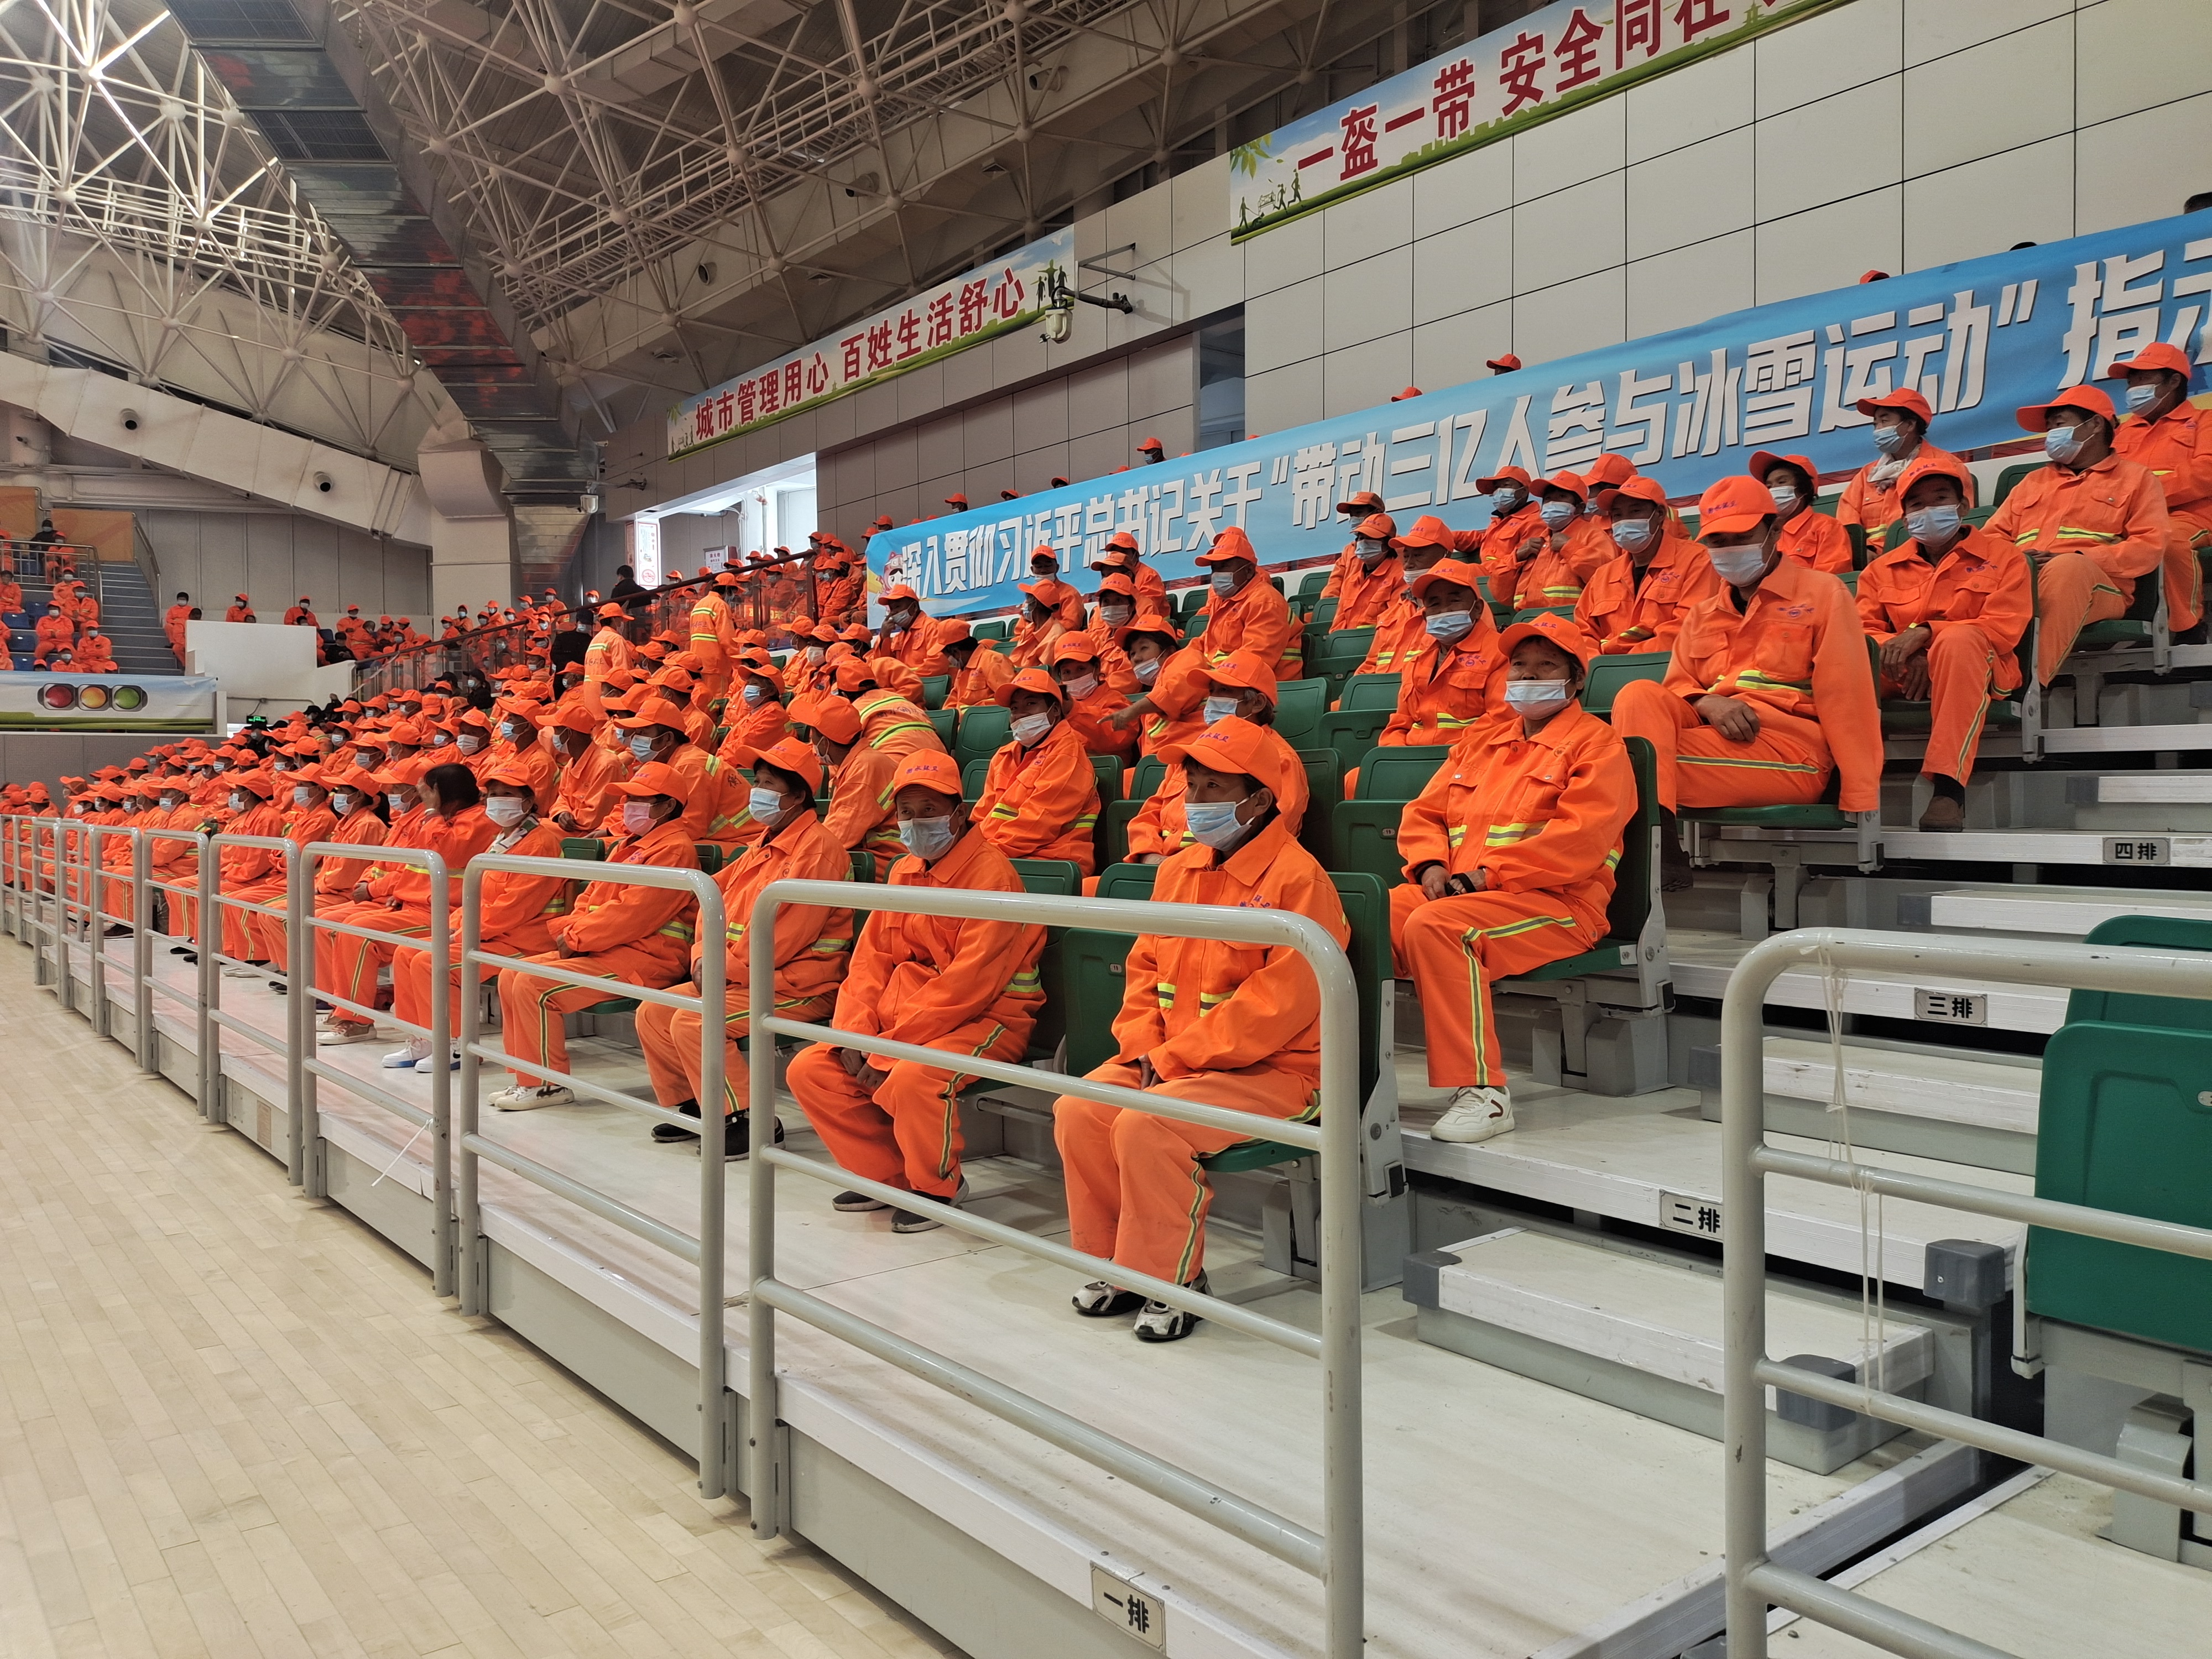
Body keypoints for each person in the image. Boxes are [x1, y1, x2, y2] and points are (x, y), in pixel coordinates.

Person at [1052, 716, 1350, 1339]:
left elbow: (1278, 1006)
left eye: (1215, 788)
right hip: (1173, 1061)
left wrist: (1175, 1059)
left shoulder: (1298, 880)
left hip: (1276, 1073)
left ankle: (1176, 1282)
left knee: (1147, 1125)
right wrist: (1143, 1048)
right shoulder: (1178, 869)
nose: (1196, 801)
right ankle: (1119, 1267)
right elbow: (1144, 968)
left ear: (1260, 800)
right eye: (1192, 787)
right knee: (1078, 1109)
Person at [1391, 613, 1636, 1143]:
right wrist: (1430, 863)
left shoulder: (1598, 746)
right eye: (1520, 666)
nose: (1528, 676)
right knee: (1362, 916)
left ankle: (1484, 1091)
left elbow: (1580, 842)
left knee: (1439, 928)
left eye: (1546, 666)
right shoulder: (1482, 741)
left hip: (1560, 905)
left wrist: (1487, 876)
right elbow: (1424, 812)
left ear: (1576, 679)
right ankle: (1346, 1073)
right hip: (1463, 893)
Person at [784, 751, 1045, 1232]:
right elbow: (869, 962)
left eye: (929, 809)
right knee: (811, 1069)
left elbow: (969, 985)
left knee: (912, 1079)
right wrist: (854, 1035)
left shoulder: (993, 877)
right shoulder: (903, 870)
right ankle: (887, 1179)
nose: (916, 821)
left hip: (990, 1020)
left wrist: (887, 1050)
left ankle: (937, 1189)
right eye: (906, 811)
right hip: (901, 1023)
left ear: (958, 813)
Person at [1610, 476, 1882, 887]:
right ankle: (1658, 845)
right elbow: (1679, 686)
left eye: (1741, 537)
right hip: (1712, 736)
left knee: (1612, 767)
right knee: (1638, 695)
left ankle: (1643, 855)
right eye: (1718, 541)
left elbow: (1847, 696)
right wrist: (1707, 702)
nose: (1729, 549)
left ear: (1775, 530)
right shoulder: (1702, 613)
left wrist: (1860, 797)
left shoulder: (1823, 593)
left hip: (1792, 752)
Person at [634, 737, 854, 1154]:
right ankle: (702, 1105)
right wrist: (702, 956)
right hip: (743, 976)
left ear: (798, 796)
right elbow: (711, 899)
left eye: (769, 784)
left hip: (800, 986)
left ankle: (747, 1120)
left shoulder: (819, 852)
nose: (758, 792)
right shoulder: (763, 843)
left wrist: (719, 969)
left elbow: (783, 938)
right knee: (654, 1012)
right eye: (758, 782)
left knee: (695, 1022)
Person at [490, 761, 701, 1108]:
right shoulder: (629, 845)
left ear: (667, 806)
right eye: (629, 798)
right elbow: (591, 897)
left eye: (640, 799)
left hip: (646, 959)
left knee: (531, 984)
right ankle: (525, 1077)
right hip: (607, 950)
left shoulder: (674, 849)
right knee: (512, 974)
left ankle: (547, 1085)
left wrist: (576, 938)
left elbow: (633, 915)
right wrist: (572, 931)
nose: (630, 806)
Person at [1857, 455, 2033, 832]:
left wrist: (1926, 633)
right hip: (1902, 669)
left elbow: (2003, 628)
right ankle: (1840, 781)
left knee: (1957, 640)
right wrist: (1911, 654)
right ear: (1905, 518)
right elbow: (1862, 631)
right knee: (1834, 659)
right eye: (1917, 504)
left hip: (1980, 666)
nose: (1929, 510)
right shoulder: (1879, 570)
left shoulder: (2005, 558)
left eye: (1940, 499)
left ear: (1963, 506)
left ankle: (1948, 789)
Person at [384, 766, 567, 1072]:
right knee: (406, 953)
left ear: (528, 800)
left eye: (507, 794)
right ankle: (425, 1038)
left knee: (429, 961)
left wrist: (463, 931)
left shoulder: (540, 844)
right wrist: (457, 923)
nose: (498, 800)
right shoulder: (503, 839)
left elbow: (513, 909)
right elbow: (476, 896)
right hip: (493, 934)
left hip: (523, 940)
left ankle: (457, 1044)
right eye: (493, 794)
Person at [1987, 383, 2172, 685]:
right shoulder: (2031, 482)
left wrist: (2080, 556)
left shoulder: (2137, 478)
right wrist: (2017, 560)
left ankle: (2024, 688)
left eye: (2058, 425)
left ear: (2095, 424)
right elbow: (1990, 540)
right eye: (2049, 428)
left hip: (2099, 586)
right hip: (2023, 580)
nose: (2051, 435)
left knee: (2068, 567)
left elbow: (2149, 546)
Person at [316, 763, 498, 1045]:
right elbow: (412, 866)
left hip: (445, 913)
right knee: (340, 924)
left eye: (425, 790)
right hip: (411, 905)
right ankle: (347, 1009)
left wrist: (432, 812)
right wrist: (399, 891)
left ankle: (356, 1020)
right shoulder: (441, 818)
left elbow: (445, 852)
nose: (420, 795)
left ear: (438, 791)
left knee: (357, 933)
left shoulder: (478, 821)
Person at [2106, 342, 2211, 640]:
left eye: (2143, 379)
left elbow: (2206, 472)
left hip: (2190, 516)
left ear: (2174, 381)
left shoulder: (2206, 421)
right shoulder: (2120, 433)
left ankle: (2188, 629)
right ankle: (2122, 633)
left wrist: (2145, 497)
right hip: (2127, 518)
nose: (2133, 388)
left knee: (2168, 541)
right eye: (2131, 382)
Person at [1574, 476, 1722, 656]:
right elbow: (1583, 632)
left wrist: (1623, 659)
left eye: (1635, 511)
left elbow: (1687, 626)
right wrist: (1599, 665)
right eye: (1618, 515)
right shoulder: (1603, 575)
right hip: (1606, 669)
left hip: (1668, 667)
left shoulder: (1697, 560)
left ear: (1659, 514)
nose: (1624, 521)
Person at [1371, 556, 1507, 750]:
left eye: (1455, 600)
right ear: (1425, 616)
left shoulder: (1501, 654)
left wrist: (1444, 756)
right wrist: (1398, 757)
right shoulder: (1416, 661)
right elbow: (1399, 724)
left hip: (1468, 757)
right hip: (1413, 757)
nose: (1445, 610)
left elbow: (1501, 720)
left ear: (1477, 609)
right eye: (1435, 604)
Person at [974, 668, 1103, 873]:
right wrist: (968, 848)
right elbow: (983, 813)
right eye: (1015, 708)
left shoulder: (1068, 753)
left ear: (1055, 710)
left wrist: (981, 855)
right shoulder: (1004, 755)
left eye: (1031, 704)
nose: (1021, 713)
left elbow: (1040, 822)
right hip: (1003, 855)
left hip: (1052, 860)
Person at [1837, 389, 1974, 556]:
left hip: (1926, 557)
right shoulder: (1868, 475)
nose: (1878, 429)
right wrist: (1862, 552)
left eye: (1884, 421)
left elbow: (1959, 520)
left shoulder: (1948, 466)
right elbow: (1846, 526)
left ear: (1910, 425)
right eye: (1875, 424)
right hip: (1873, 562)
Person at [797, 692, 909, 876]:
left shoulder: (864, 768)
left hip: (880, 863)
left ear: (825, 742)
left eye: (813, 736)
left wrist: (794, 850)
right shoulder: (858, 763)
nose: (811, 742)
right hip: (865, 856)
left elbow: (838, 835)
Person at [1193, 527, 1298, 679]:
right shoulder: (1223, 600)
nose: (1217, 575)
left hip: (1265, 687)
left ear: (1249, 571)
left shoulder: (1265, 602)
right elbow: (1205, 643)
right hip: (1224, 681)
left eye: (1225, 566)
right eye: (1214, 569)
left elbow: (1254, 661)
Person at [1754, 452, 1854, 573]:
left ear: (1805, 488)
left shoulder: (1826, 527)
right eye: (1769, 486)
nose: (1773, 490)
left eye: (1782, 482)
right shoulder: (1762, 532)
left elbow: (1832, 577)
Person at [1473, 466, 1545, 609]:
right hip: (1491, 578)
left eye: (1506, 485)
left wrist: (1489, 568)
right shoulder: (1498, 522)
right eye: (1496, 487)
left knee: (1460, 573)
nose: (1499, 491)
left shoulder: (1535, 521)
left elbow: (1523, 562)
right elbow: (1477, 538)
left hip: (1505, 582)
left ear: (1523, 492)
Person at [1320, 511, 1403, 630]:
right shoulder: (1351, 581)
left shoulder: (1400, 576)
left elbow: (1395, 622)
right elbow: (1338, 623)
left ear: (1387, 545)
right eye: (1361, 538)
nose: (1363, 543)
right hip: (1349, 640)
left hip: (1379, 639)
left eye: (1371, 539)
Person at [878, 585, 951, 677]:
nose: (893, 613)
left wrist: (908, 679)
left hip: (927, 683)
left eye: (897, 607)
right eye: (891, 609)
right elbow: (883, 665)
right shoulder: (898, 638)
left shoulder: (933, 628)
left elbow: (938, 664)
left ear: (914, 607)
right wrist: (884, 637)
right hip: (906, 684)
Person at [941, 620, 1015, 709]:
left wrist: (975, 710)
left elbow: (1009, 700)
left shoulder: (994, 661)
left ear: (956, 652)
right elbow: (953, 701)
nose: (949, 662)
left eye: (947, 656)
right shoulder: (964, 669)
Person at [584, 603, 634, 681]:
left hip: (590, 688)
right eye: (621, 620)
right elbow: (622, 674)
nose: (623, 623)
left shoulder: (595, 640)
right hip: (606, 688)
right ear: (614, 620)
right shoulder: (616, 639)